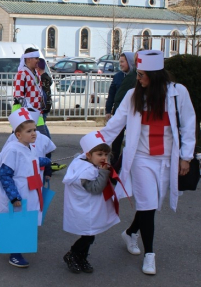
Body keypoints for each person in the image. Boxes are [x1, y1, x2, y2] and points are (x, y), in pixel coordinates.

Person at [100, 50, 196, 275]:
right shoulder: (133, 95)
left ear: (155, 74)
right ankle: (150, 254)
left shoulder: (177, 93)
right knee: (148, 205)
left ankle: (131, 232)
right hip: (141, 159)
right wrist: (92, 147)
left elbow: (189, 125)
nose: (138, 78)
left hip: (167, 160)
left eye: (142, 74)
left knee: (151, 204)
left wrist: (186, 157)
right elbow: (114, 125)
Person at [62, 132, 120, 274]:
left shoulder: (86, 163)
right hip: (85, 209)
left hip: (90, 208)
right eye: (99, 154)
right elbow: (96, 188)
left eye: (106, 155)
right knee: (88, 235)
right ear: (88, 155)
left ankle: (81, 257)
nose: (104, 158)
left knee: (90, 234)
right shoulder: (85, 171)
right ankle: (72, 254)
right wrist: (103, 172)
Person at [0, 108, 45, 268]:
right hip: (19, 194)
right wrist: (14, 196)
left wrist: (45, 162)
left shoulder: (28, 147)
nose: (34, 134)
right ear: (18, 135)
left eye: (35, 130)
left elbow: (31, 162)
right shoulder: (12, 150)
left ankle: (19, 249)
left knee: (23, 221)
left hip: (30, 191)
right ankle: (14, 255)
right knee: (16, 222)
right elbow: (5, 175)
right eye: (29, 131)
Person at [104, 52, 136, 170]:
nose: (120, 64)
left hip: (132, 114)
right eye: (120, 62)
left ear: (130, 62)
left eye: (122, 61)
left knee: (131, 140)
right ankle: (114, 166)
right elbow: (111, 94)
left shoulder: (136, 77)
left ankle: (127, 166)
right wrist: (108, 110)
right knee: (116, 141)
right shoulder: (118, 76)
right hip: (119, 113)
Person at [13, 47, 49, 137]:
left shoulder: (36, 73)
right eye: (36, 58)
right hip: (24, 112)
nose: (38, 61)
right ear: (29, 59)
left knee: (41, 140)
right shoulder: (22, 74)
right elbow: (18, 95)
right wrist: (29, 110)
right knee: (21, 139)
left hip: (36, 111)